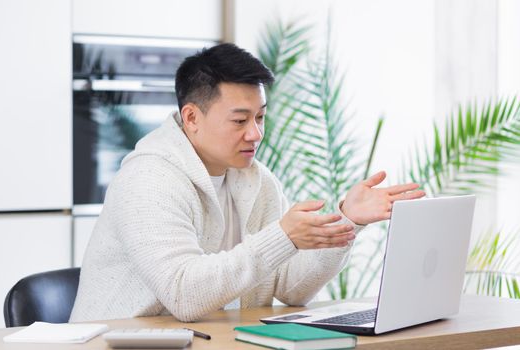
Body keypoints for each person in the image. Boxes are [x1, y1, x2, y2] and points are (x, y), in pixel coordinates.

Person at [70, 43, 425, 323]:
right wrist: (282, 237)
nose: (255, 134)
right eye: (240, 120)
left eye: (260, 117)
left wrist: (348, 220)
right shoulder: (149, 179)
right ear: (191, 117)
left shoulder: (257, 181)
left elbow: (292, 288)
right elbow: (182, 293)